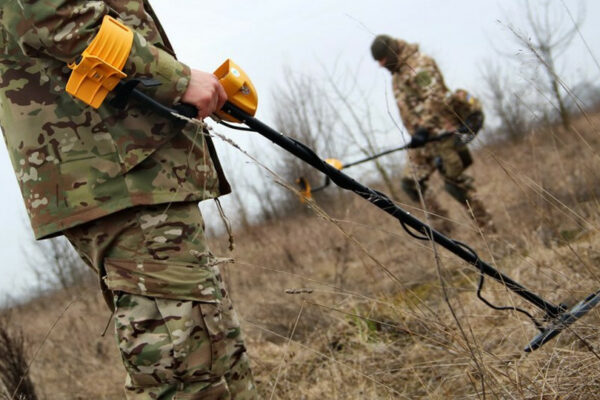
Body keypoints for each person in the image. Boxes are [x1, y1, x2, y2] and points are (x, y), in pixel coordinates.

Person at [0, 1, 257, 399]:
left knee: (214, 352)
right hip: (118, 170)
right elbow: (64, 19)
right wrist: (177, 79)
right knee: (187, 368)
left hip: (130, 170)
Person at [370, 34, 493, 232]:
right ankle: (443, 230)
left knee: (457, 186)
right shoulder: (397, 75)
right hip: (421, 142)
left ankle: (489, 232)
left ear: (390, 53)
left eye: (382, 59)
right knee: (411, 183)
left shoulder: (419, 64)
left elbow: (435, 96)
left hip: (441, 135)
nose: (380, 65)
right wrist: (417, 133)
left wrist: (424, 128)